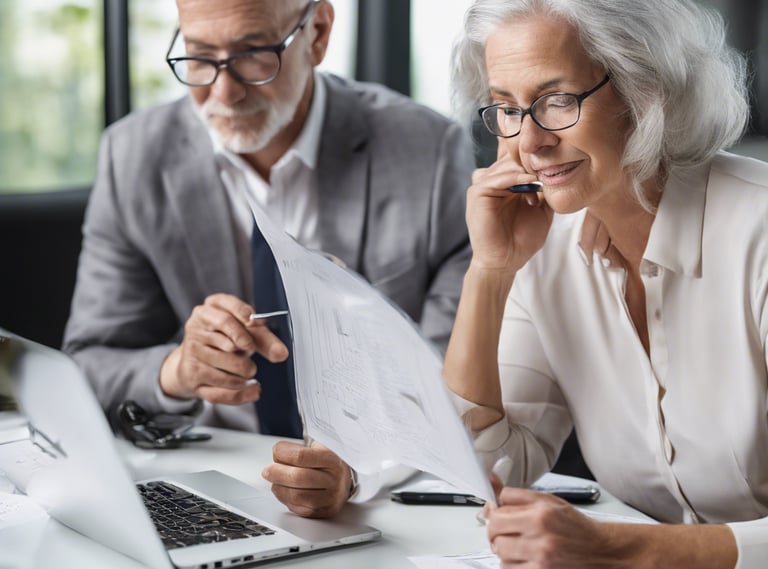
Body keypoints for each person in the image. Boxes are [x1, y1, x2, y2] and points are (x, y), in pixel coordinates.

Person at [63, 0, 473, 519]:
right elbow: (89, 362)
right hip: (206, 477)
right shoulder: (133, 155)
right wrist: (177, 370)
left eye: (254, 54)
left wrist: (359, 465)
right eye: (199, 56)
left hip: (387, 487)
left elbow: (455, 375)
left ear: (317, 33)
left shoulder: (427, 151)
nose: (223, 91)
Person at [443, 0, 768, 567]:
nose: (530, 141)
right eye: (507, 108)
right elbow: (488, 470)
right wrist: (490, 272)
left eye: (557, 100)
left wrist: (619, 547)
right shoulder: (542, 247)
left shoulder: (758, 231)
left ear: (646, 91)